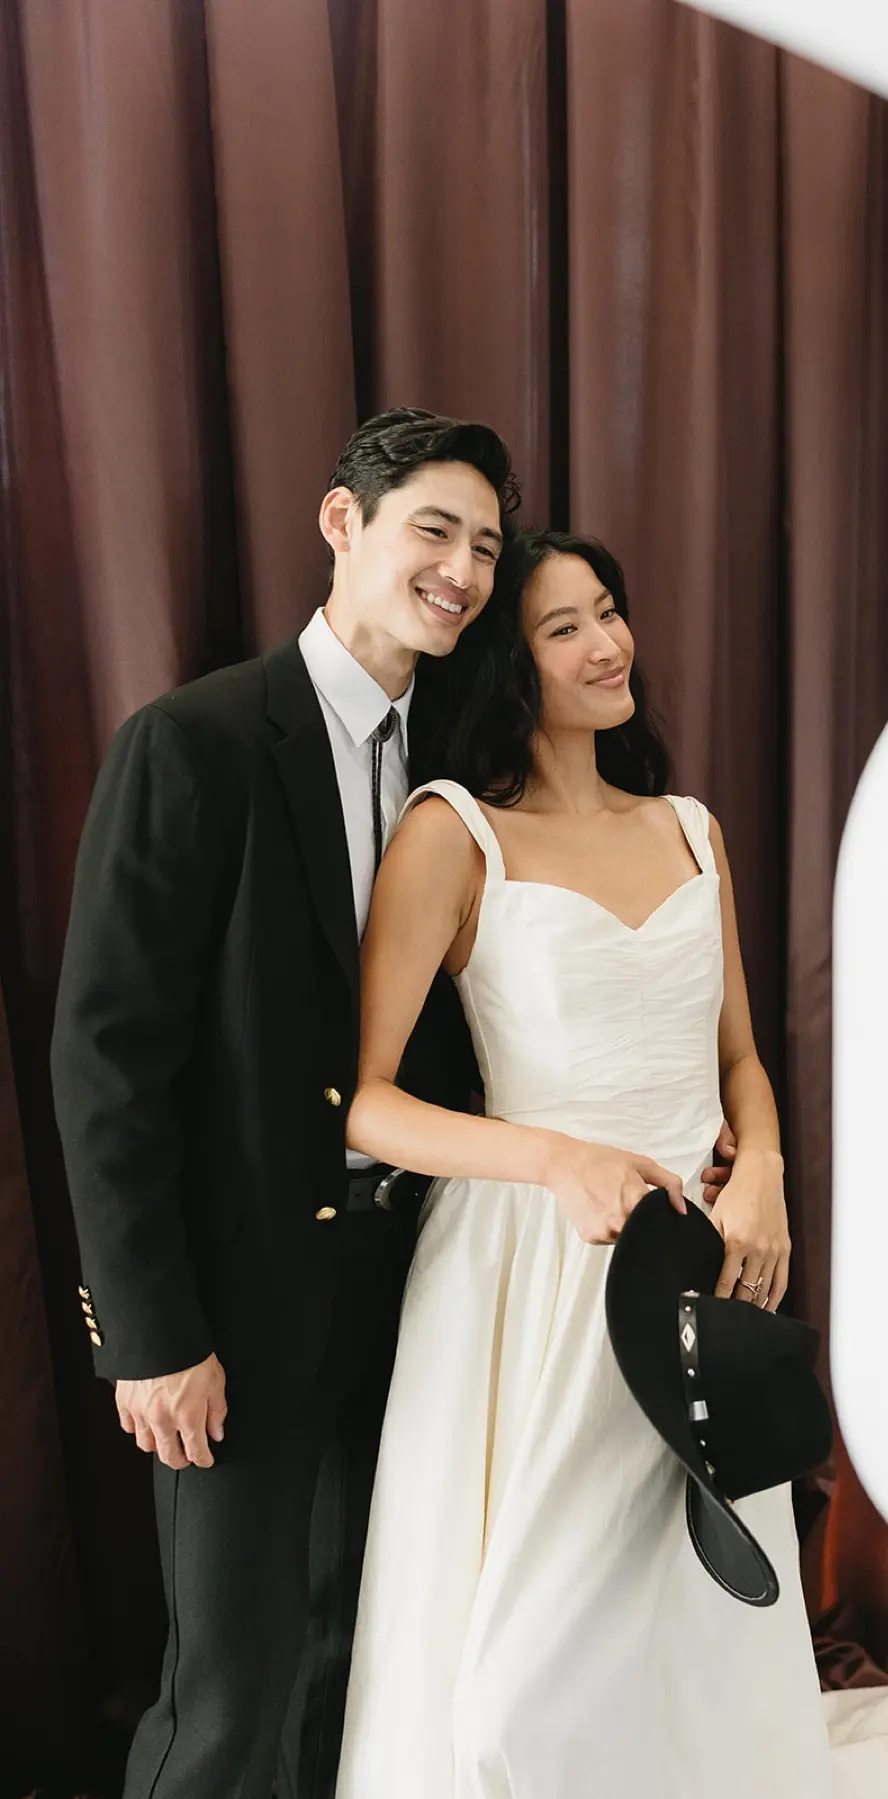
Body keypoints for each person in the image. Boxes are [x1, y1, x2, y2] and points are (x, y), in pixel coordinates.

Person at [50, 409, 520, 1799]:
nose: (462, 569)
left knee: (350, 1681)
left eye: (486, 546)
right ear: (341, 524)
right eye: (434, 528)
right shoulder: (193, 741)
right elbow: (107, 1059)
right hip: (231, 1319)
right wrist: (151, 1334)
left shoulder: (458, 764)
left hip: (406, 1295)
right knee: (225, 1710)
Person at [333, 529, 836, 1797]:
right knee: (511, 1688)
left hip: (700, 1263)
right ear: (512, 661)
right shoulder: (453, 832)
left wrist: (766, 1165)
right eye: (564, 627)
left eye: (608, 611)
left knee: (695, 1634)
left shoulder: (691, 827)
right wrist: (556, 1157)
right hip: (533, 1272)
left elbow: (739, 1060)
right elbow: (367, 1106)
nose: (608, 643)